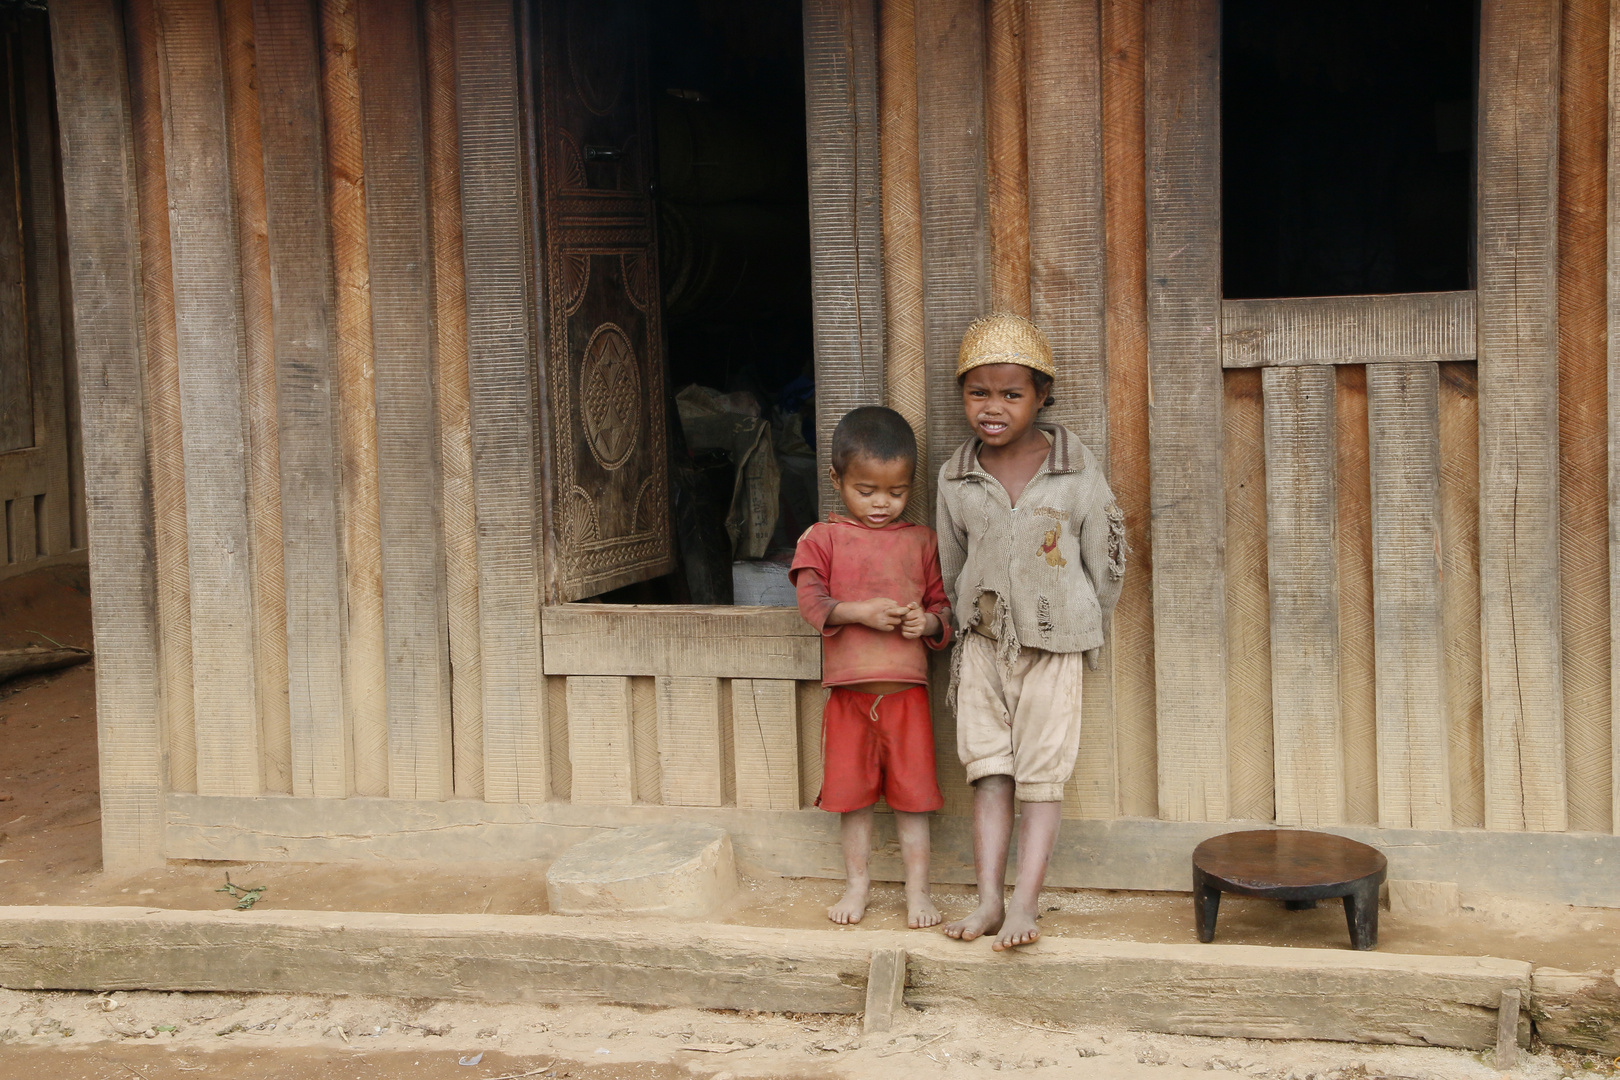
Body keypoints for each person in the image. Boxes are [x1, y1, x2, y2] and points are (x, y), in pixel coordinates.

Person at [936, 312, 1126, 950]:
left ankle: (1024, 905)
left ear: (1041, 397)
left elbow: (1105, 557)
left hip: (1054, 648)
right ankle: (988, 899)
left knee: (1042, 778)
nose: (993, 407)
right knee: (988, 772)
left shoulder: (1074, 469)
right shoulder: (955, 476)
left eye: (1011, 394)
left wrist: (1080, 621)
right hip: (982, 647)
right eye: (978, 392)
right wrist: (961, 626)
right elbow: (951, 563)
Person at [789, 406, 953, 928]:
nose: (882, 503)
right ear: (836, 479)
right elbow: (812, 602)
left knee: (913, 801)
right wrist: (859, 611)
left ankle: (918, 893)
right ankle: (856, 887)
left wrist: (925, 625)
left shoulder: (921, 541)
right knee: (852, 801)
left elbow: (943, 606)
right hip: (849, 697)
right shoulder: (822, 538)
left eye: (896, 492)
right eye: (867, 490)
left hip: (907, 698)